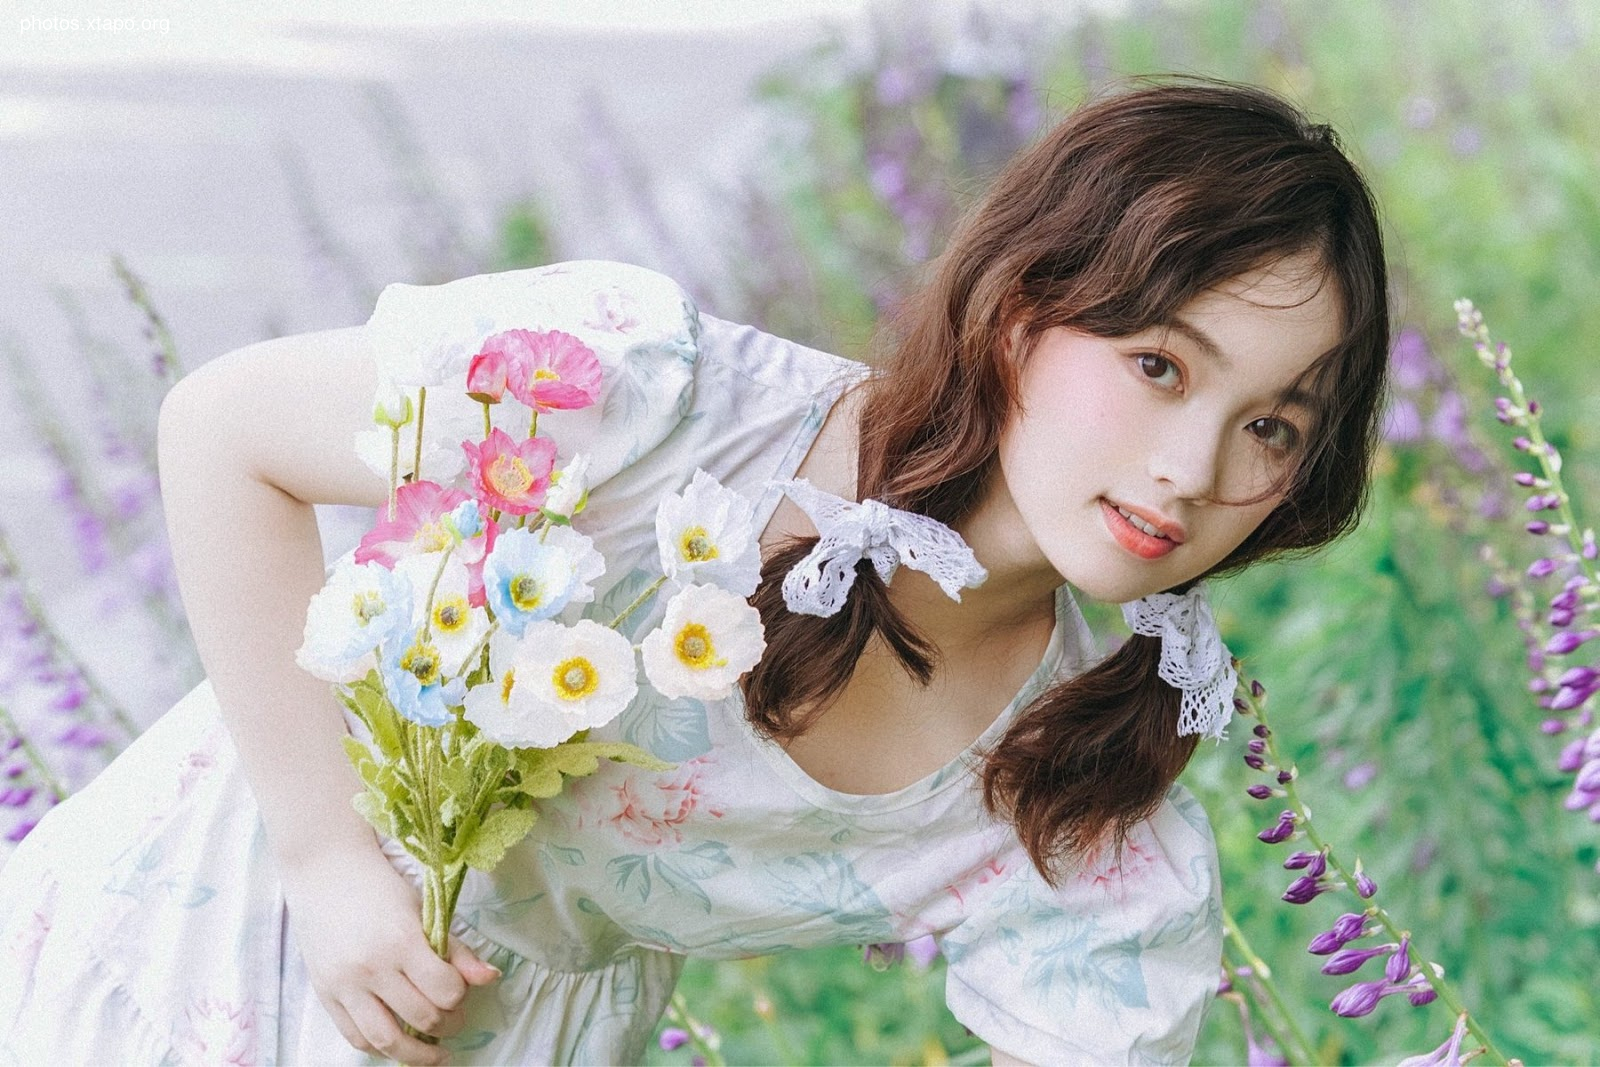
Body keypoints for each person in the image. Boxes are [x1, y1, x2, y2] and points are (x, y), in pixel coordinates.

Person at [0, 79, 1388, 1065]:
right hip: (183, 935)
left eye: (1272, 424)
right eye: (1160, 367)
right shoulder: (660, 405)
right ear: (1026, 310)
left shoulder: (1077, 805)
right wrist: (326, 862)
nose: (1195, 466)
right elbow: (226, 428)